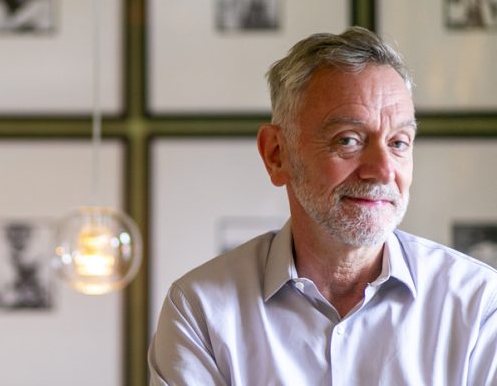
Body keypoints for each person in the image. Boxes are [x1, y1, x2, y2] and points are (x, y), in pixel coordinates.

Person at [148, 27, 497, 384]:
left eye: (399, 143)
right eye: (348, 140)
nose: (382, 171)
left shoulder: (480, 305)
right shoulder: (200, 311)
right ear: (276, 154)